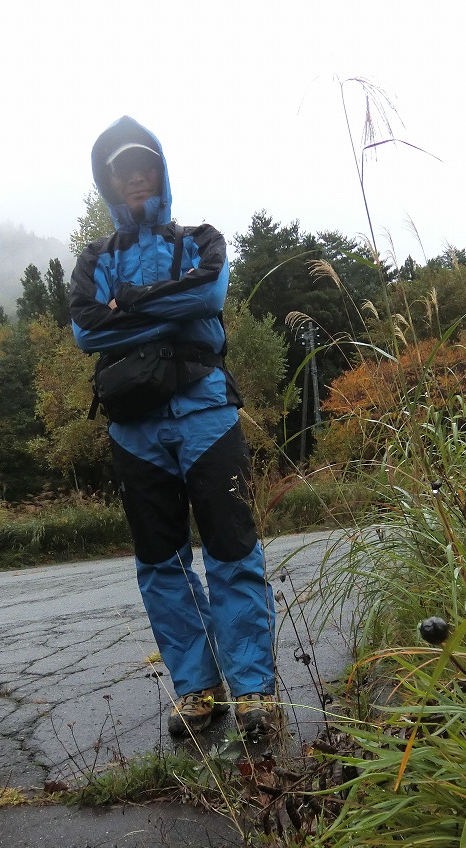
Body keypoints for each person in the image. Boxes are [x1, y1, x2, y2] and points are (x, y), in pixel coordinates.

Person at [68, 117, 279, 738]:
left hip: (207, 414)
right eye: (121, 170)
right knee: (161, 563)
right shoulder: (93, 259)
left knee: (232, 550)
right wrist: (163, 304)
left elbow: (207, 297)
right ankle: (196, 688)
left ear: (162, 172)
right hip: (135, 429)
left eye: (144, 166)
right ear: (107, 182)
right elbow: (86, 330)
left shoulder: (202, 239)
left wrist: (127, 305)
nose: (134, 177)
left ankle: (255, 691)